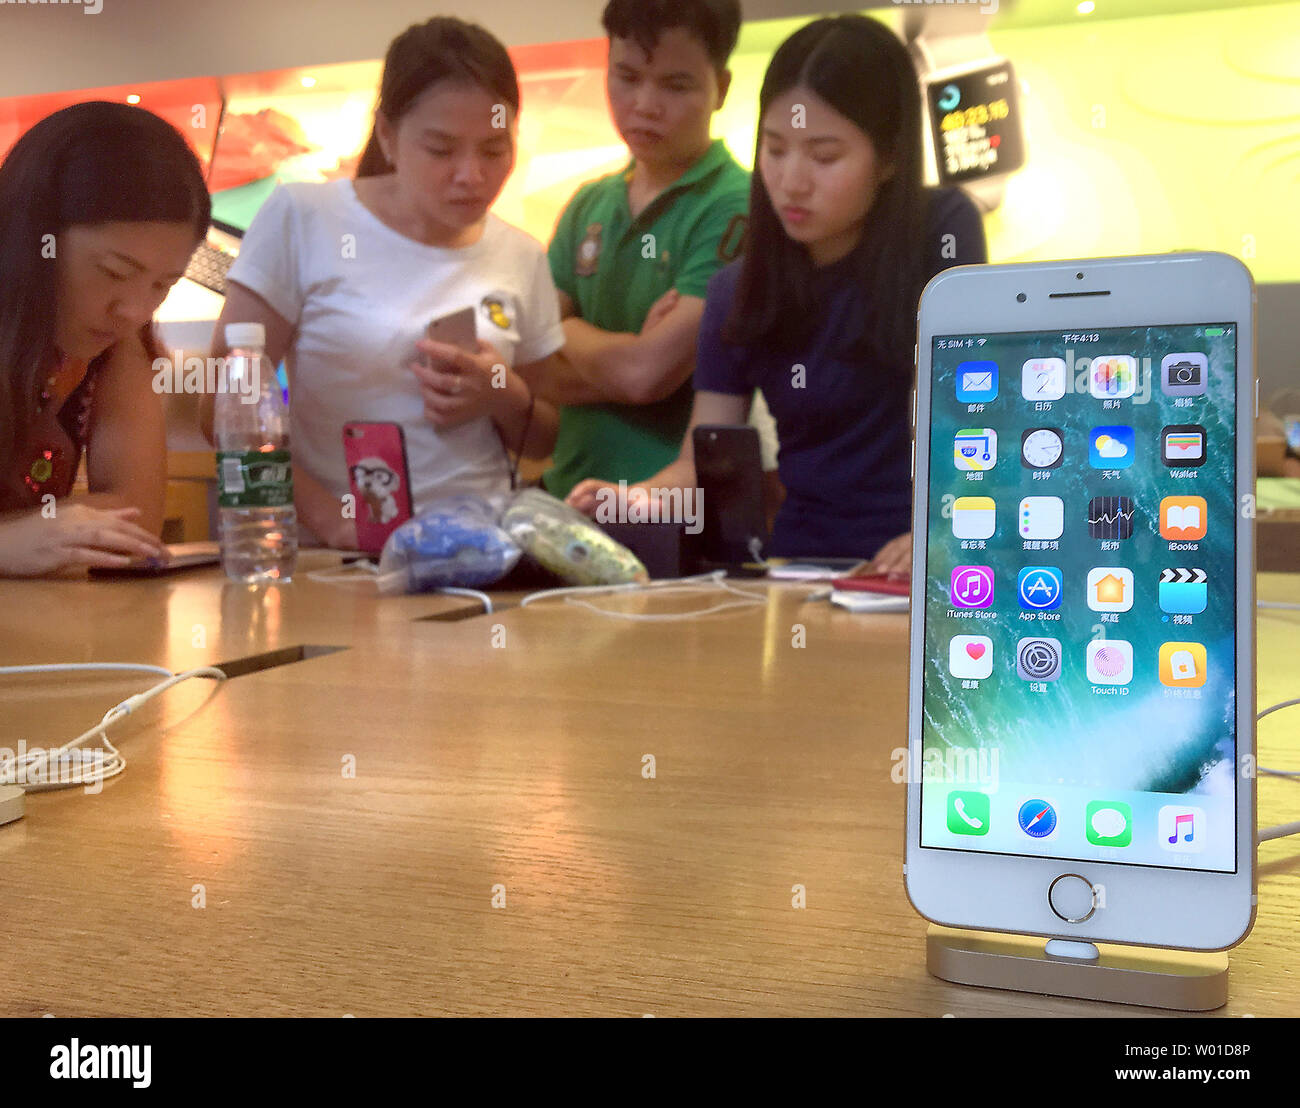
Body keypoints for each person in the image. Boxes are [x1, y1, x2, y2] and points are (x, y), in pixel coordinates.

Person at [567, 14, 988, 572]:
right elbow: (702, 457)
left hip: (927, 565)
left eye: (824, 156)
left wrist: (945, 527)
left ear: (888, 158)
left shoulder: (942, 230)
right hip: (801, 567)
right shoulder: (736, 288)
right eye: (775, 147)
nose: (791, 180)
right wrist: (636, 498)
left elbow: (979, 414)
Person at [201, 18, 565, 547]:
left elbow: (541, 439)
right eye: (441, 149)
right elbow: (220, 410)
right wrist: (332, 521)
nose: (471, 174)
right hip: (341, 556)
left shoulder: (521, 255)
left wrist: (502, 395)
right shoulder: (304, 218)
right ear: (389, 137)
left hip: (481, 549)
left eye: (493, 149)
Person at [536, 0, 751, 501]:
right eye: (627, 76)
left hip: (674, 508)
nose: (645, 104)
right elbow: (534, 367)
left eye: (675, 85)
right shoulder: (588, 203)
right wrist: (634, 354)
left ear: (720, 88)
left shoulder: (738, 204)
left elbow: (644, 375)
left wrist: (566, 331)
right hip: (568, 499)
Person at [0, 102, 209, 576]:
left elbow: (134, 518)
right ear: (32, 239)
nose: (135, 310)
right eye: (115, 272)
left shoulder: (115, 344)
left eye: (164, 284)